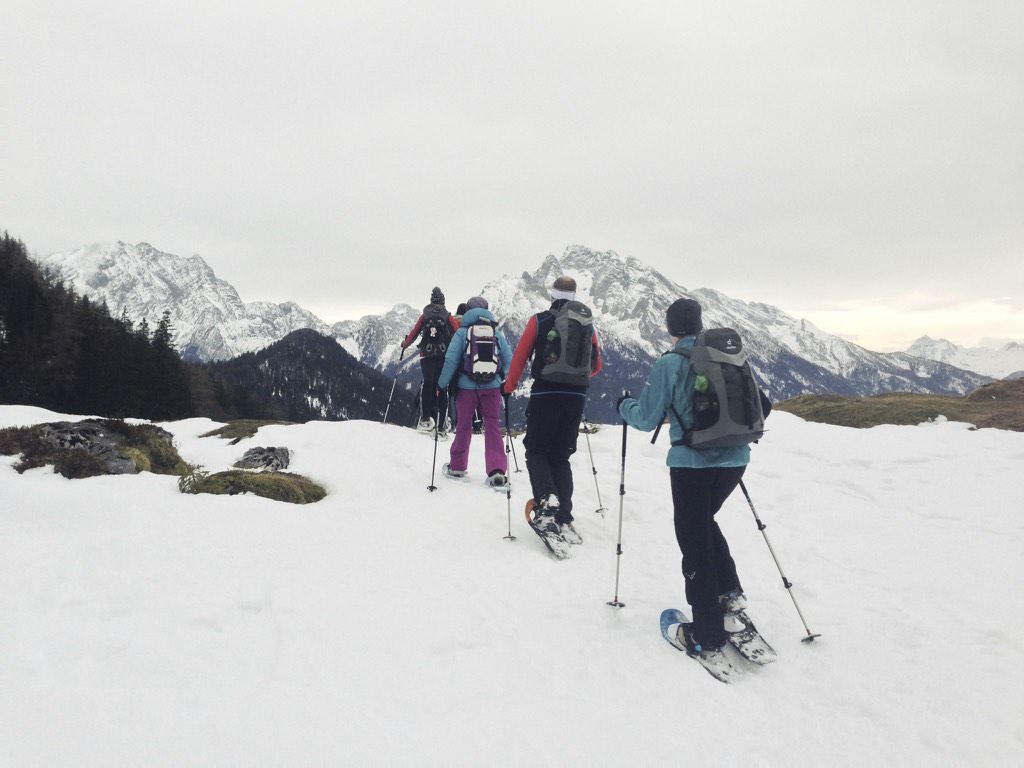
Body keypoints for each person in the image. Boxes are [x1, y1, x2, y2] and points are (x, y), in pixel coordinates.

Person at [617, 298, 763, 659]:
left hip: (691, 464)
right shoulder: (726, 357)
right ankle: (729, 594)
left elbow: (647, 417)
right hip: (735, 460)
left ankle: (706, 634)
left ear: (670, 328)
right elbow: (763, 404)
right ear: (699, 325)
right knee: (704, 523)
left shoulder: (670, 363)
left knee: (693, 537)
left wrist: (623, 406)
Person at [503, 275, 602, 542]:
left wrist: (509, 387)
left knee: (536, 449)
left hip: (546, 393)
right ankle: (564, 515)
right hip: (576, 397)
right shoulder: (586, 325)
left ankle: (547, 503)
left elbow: (520, 357)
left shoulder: (540, 320)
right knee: (560, 455)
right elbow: (596, 366)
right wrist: (574, 383)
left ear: (553, 295)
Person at [437, 296, 514, 487]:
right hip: (493, 387)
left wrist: (441, 385)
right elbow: (509, 359)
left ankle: (457, 467)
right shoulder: (496, 332)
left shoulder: (463, 332)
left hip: (466, 388)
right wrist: (504, 379)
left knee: (463, 425)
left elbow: (450, 361)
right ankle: (496, 470)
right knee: (492, 426)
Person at [401, 287, 458, 435]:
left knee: (427, 385)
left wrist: (404, 344)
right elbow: (458, 333)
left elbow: (414, 333)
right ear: (443, 301)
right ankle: (442, 425)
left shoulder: (424, 315)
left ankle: (425, 419)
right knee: (442, 387)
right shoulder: (447, 315)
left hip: (426, 356)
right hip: (443, 356)